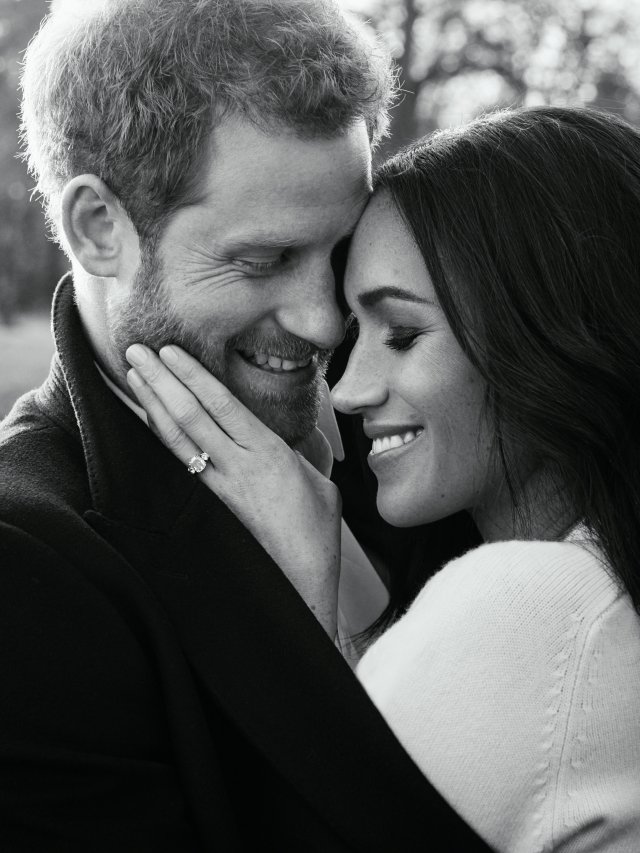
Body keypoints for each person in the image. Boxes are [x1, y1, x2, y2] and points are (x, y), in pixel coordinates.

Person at [0, 0, 493, 850]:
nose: (324, 323)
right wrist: (306, 633)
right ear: (99, 228)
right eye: (264, 260)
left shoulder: (416, 415)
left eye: (337, 253)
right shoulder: (27, 566)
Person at [128, 105, 640, 852]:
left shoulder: (532, 607)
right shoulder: (601, 589)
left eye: (401, 333)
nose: (345, 388)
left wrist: (305, 590)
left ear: (554, 335)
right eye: (354, 331)